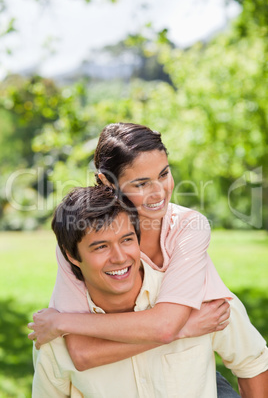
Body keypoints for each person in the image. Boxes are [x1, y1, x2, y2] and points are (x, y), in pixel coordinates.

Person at [28, 123, 250, 395]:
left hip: (186, 370)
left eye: (164, 174)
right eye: (142, 183)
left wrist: (60, 323)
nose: (159, 193)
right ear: (108, 181)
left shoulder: (188, 228)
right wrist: (187, 328)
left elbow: (168, 326)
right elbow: (81, 354)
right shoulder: (81, 238)